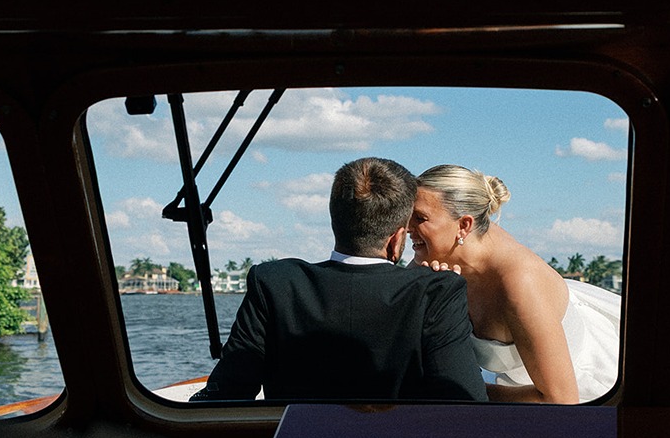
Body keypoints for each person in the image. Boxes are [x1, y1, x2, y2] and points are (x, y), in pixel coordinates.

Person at [194, 157, 487, 402]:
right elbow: (465, 402)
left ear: (335, 221)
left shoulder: (273, 282)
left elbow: (227, 394)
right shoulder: (437, 291)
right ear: (397, 238)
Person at [409, 164, 621, 404]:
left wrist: (468, 392)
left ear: (464, 225)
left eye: (420, 218)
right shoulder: (436, 256)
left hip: (580, 389)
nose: (407, 227)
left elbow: (561, 400)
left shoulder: (519, 283)